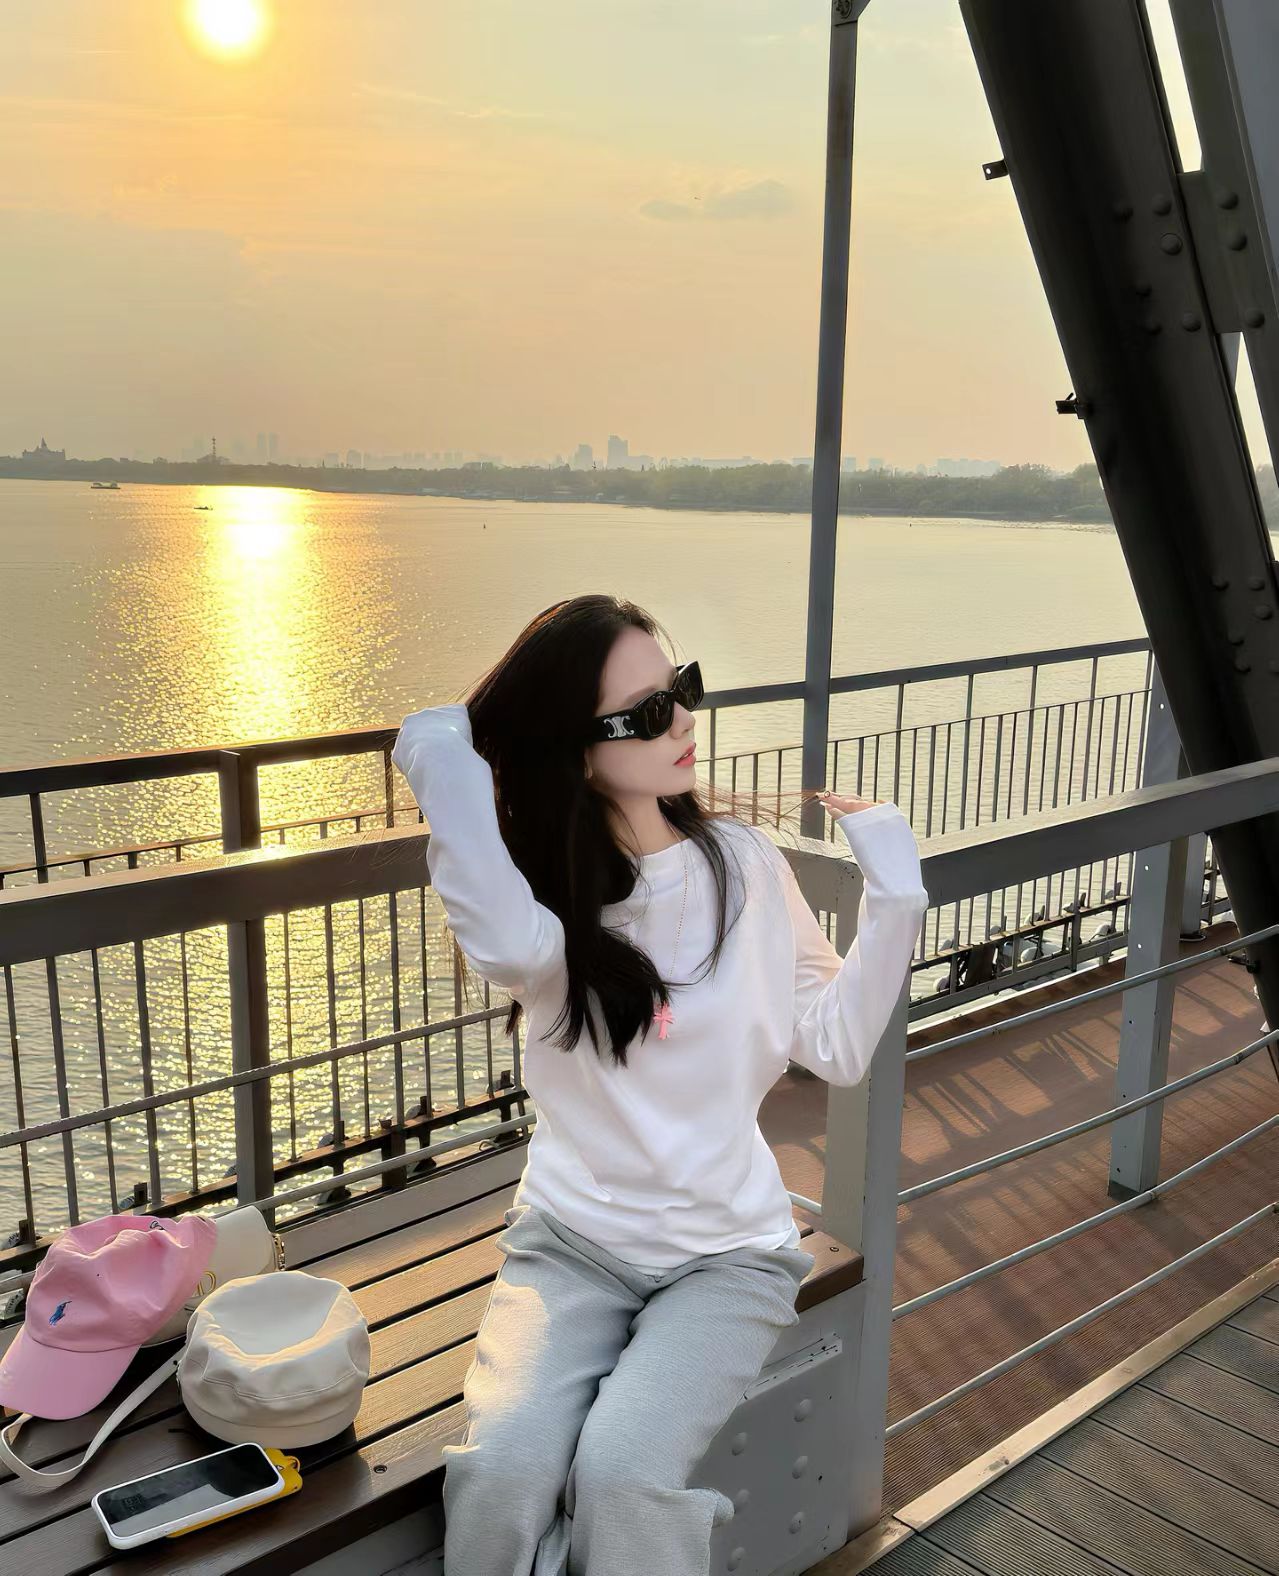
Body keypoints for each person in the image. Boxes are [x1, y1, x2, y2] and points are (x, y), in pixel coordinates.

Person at [390, 593, 929, 1576]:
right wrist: (441, 753)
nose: (682, 720)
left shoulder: (744, 865)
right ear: (576, 751)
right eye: (645, 713)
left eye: (680, 690)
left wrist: (896, 894)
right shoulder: (547, 908)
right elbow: (501, 937)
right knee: (500, 1477)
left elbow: (838, 1043)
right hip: (568, 1245)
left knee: (624, 1478)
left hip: (725, 1255)